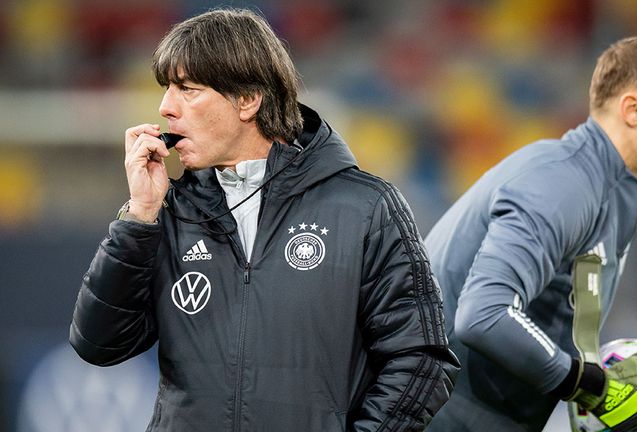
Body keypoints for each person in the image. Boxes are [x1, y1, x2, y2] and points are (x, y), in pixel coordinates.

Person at [69, 8, 459, 432]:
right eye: (167, 89)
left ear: (247, 100)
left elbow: (422, 361)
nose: (166, 107)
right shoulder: (169, 212)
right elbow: (99, 344)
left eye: (187, 89)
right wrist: (139, 216)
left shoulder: (365, 208)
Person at [424, 29, 637, 431]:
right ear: (632, 110)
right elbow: (484, 314)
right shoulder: (563, 183)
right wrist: (594, 387)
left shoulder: (603, 189)